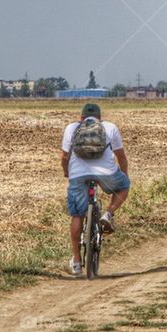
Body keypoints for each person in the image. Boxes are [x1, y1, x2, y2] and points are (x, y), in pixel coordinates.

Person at [61, 103, 130, 275]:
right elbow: (121, 156)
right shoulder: (110, 127)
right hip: (106, 173)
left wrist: (67, 173)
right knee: (124, 186)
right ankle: (108, 213)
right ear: (100, 117)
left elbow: (64, 157)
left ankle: (76, 261)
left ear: (81, 117)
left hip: (78, 175)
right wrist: (124, 174)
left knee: (77, 215)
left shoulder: (72, 128)